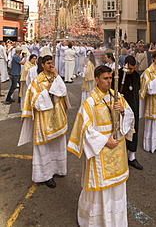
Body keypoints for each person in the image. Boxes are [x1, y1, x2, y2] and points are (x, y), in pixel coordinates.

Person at [67, 65, 134, 227]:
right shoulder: (89, 103)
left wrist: (123, 111)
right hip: (100, 152)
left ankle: (116, 222)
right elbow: (85, 129)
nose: (109, 81)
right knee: (101, 190)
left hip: (117, 151)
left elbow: (130, 117)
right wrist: (105, 141)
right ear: (96, 79)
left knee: (116, 188)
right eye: (105, 78)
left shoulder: (117, 97)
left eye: (111, 78)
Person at [18, 55, 71, 188]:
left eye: (52, 63)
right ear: (42, 65)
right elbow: (34, 102)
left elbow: (63, 92)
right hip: (44, 121)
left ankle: (59, 169)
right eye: (48, 63)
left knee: (58, 145)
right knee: (44, 149)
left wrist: (56, 75)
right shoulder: (36, 82)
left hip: (58, 118)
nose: (50, 65)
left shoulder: (55, 77)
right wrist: (47, 91)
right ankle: (45, 175)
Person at [114, 55, 143, 170]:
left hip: (134, 107)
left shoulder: (136, 75)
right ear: (125, 65)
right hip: (121, 107)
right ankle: (118, 157)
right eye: (130, 68)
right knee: (120, 131)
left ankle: (132, 157)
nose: (131, 71)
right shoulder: (118, 75)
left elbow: (138, 89)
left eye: (133, 69)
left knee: (133, 131)